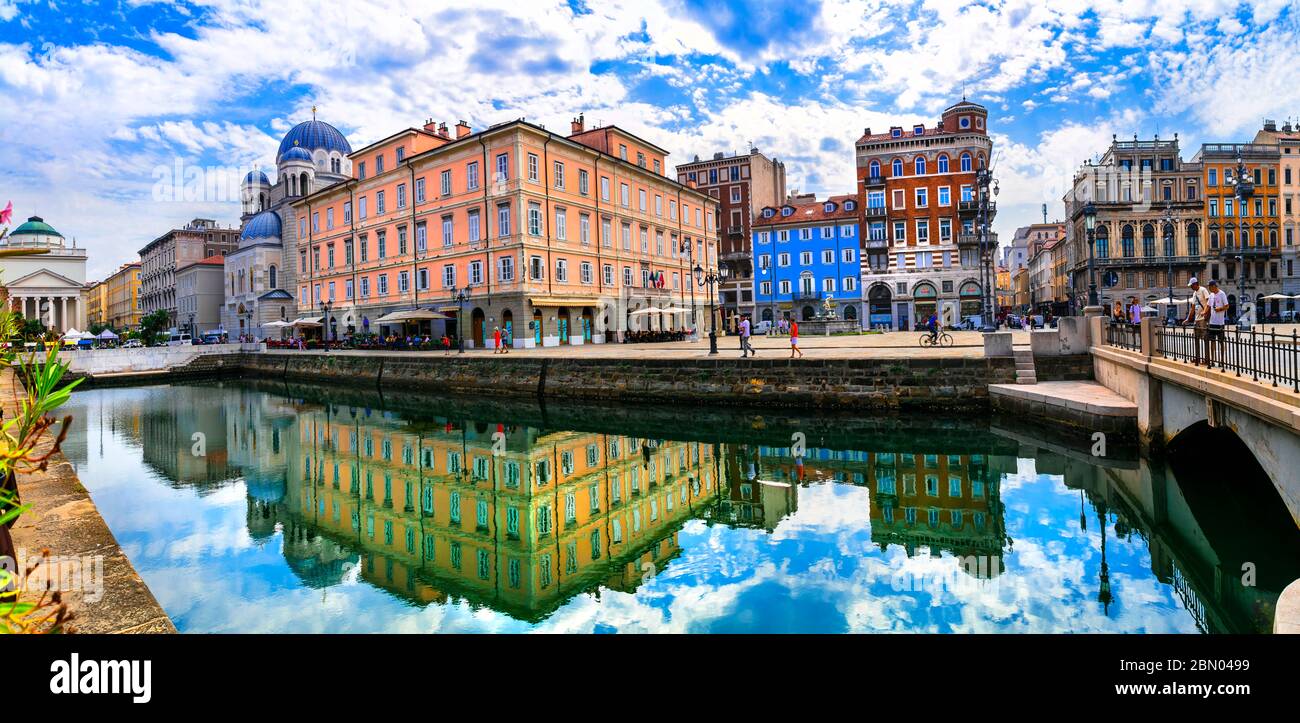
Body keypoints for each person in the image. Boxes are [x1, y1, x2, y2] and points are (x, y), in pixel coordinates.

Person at [1184, 277, 1211, 365]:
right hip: (1197, 319)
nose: (1191, 287)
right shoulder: (1194, 293)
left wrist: (1205, 311)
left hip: (1203, 319)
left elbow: (1208, 302)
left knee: (1205, 339)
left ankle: (1207, 359)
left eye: (1192, 285)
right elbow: (1192, 308)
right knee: (1196, 339)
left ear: (1196, 284)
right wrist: (1188, 318)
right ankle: (1198, 358)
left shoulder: (1203, 290)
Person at [1206, 279, 1229, 369]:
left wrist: (1219, 309)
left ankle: (1222, 360)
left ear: (1214, 286)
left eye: (1210, 287)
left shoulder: (1222, 294)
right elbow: (1208, 306)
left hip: (1220, 323)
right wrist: (1204, 312)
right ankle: (1212, 360)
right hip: (1212, 322)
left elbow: (1227, 306)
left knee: (1221, 342)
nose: (1209, 288)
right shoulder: (1211, 295)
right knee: (1212, 341)